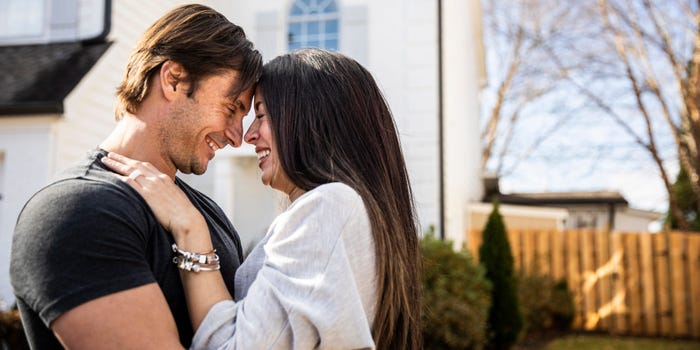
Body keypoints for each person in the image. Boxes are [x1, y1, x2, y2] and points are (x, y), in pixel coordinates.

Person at [101, 48, 423, 349]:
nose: (248, 135)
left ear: (311, 121)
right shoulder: (348, 212)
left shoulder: (329, 207)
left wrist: (190, 230)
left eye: (262, 115)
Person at [10, 4, 262, 349]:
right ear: (173, 80)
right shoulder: (75, 211)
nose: (237, 136)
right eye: (231, 109)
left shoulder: (206, 216)